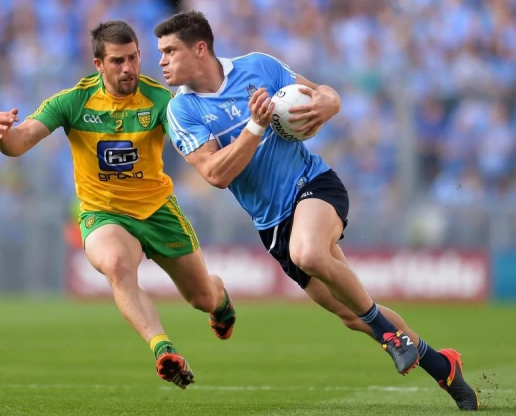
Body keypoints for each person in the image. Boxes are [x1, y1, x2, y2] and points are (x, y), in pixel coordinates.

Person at [153, 11, 478, 410]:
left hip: (312, 184)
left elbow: (323, 94)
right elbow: (215, 174)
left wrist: (328, 103)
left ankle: (389, 336)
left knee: (308, 253)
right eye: (161, 53)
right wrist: (255, 127)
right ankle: (444, 367)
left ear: (200, 48)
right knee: (352, 314)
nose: (162, 61)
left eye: (170, 51)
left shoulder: (258, 67)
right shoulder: (181, 111)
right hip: (272, 224)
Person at [0, 20, 236, 390]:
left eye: (133, 58)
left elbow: (190, 145)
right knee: (117, 265)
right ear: (98, 64)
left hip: (157, 210)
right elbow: (20, 141)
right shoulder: (73, 101)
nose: (128, 68)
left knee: (202, 297)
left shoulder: (161, 100)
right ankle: (163, 349)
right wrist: (3, 135)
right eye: (118, 61)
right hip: (103, 214)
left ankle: (220, 300)